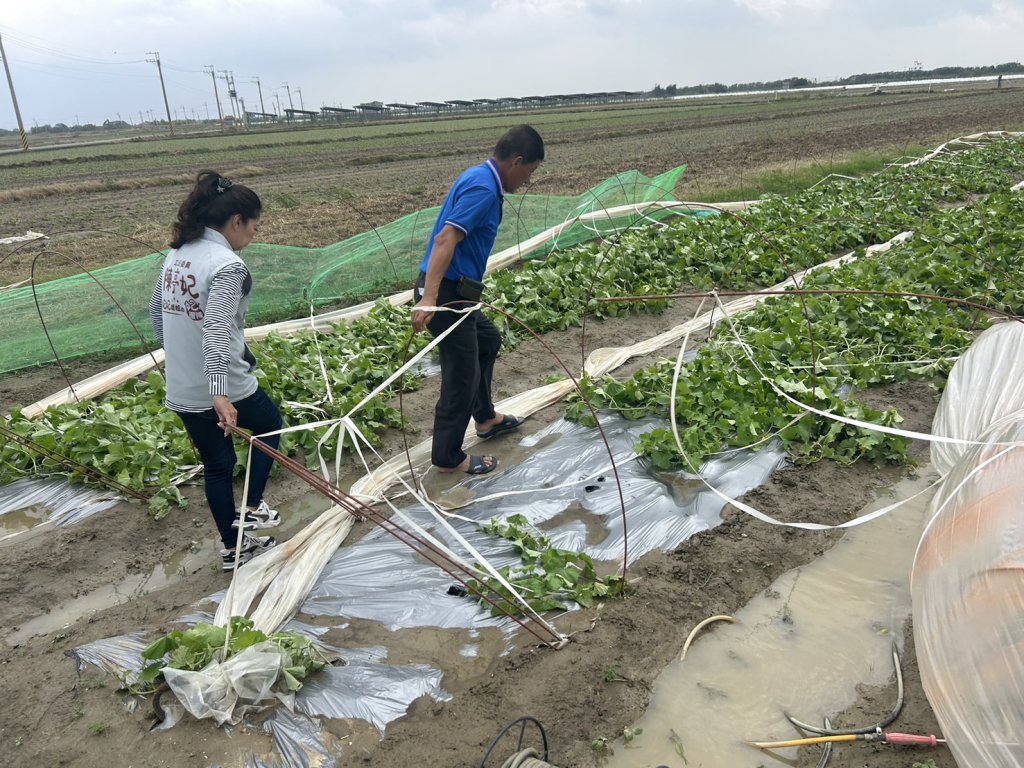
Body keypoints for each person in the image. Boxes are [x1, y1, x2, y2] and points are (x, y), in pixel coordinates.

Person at [150, 170, 283, 571]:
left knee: (218, 465)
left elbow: (158, 313)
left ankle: (233, 548)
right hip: (227, 383)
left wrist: (177, 357)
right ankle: (255, 505)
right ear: (236, 221)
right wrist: (220, 393)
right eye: (254, 226)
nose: (254, 234)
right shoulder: (228, 266)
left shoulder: (177, 254)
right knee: (271, 426)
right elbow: (217, 331)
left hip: (184, 385)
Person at [412, 125, 544, 474]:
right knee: (461, 376)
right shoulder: (484, 188)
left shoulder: (479, 176)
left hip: (459, 292)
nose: (527, 181)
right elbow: (445, 239)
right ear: (516, 162)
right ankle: (448, 457)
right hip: (447, 294)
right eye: (529, 172)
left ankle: (485, 419)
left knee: (488, 339)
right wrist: (429, 298)